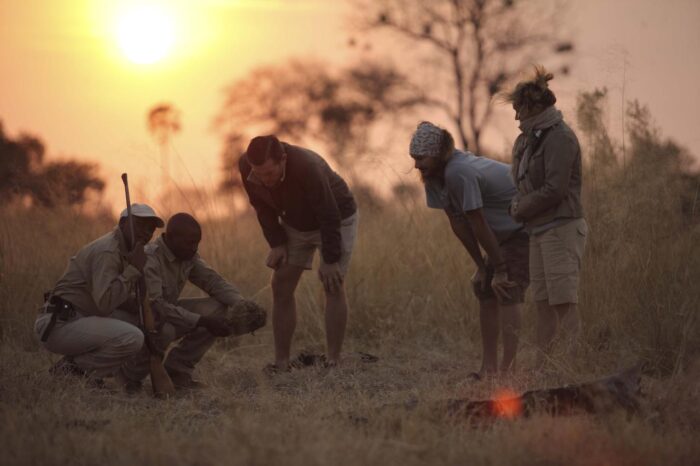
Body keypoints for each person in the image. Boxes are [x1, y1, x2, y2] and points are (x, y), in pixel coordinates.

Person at [409, 121, 529, 378]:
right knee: (484, 289)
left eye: (421, 158)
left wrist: (499, 268)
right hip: (499, 234)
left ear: (438, 153)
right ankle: (488, 368)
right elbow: (457, 222)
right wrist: (481, 266)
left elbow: (476, 220)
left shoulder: (457, 171)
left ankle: (509, 371)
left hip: (521, 228)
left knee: (506, 288)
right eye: (414, 158)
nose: (416, 165)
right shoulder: (434, 176)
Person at [239, 135, 358, 370]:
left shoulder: (306, 165)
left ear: (283, 158)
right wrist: (277, 243)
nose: (265, 180)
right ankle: (281, 362)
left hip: (336, 218)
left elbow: (328, 212)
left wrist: (331, 259)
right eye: (259, 174)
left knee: (332, 282)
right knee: (280, 284)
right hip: (296, 222)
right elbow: (261, 206)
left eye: (270, 173)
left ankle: (333, 360)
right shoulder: (246, 166)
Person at [503, 66, 587, 367]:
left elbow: (555, 189)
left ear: (533, 106)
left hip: (561, 227)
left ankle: (574, 367)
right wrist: (519, 205)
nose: (515, 117)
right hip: (539, 229)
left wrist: (521, 208)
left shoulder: (559, 137)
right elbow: (525, 184)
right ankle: (544, 368)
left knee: (563, 301)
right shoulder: (529, 139)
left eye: (518, 109)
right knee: (542, 302)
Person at [118, 212, 257, 390]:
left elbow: (213, 281)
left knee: (217, 309)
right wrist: (202, 321)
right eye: (190, 243)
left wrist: (243, 306)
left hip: (164, 313)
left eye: (197, 243)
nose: (195, 248)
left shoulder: (187, 255)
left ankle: (178, 371)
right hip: (140, 319)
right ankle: (129, 376)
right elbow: (156, 307)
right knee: (165, 330)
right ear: (171, 238)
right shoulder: (150, 258)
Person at [34, 203, 164, 385]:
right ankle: (74, 371)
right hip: (60, 324)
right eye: (140, 225)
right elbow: (105, 303)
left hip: (77, 319)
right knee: (133, 337)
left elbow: (109, 298)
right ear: (123, 223)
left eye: (150, 229)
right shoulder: (108, 251)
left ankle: (86, 370)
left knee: (138, 322)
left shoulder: (126, 250)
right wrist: (134, 270)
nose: (146, 232)